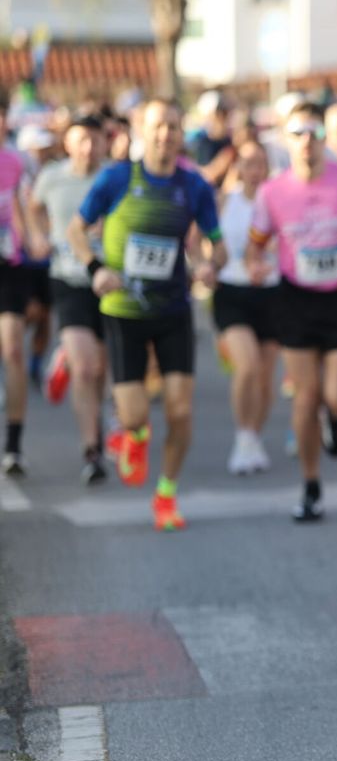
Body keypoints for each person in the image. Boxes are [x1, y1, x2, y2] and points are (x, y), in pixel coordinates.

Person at [67, 97, 225, 530]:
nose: (166, 135)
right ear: (141, 131)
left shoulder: (194, 187)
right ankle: (134, 434)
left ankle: (166, 495)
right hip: (123, 311)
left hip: (173, 308)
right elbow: (76, 229)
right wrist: (96, 268)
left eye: (174, 127)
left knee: (179, 411)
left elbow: (217, 241)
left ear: (181, 134)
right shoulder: (117, 178)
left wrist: (212, 264)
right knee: (135, 414)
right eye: (158, 126)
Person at [246, 102, 337, 521]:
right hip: (296, 298)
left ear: (324, 138)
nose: (306, 141)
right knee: (305, 397)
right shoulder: (273, 192)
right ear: (285, 141)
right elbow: (255, 246)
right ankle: (311, 485)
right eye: (297, 133)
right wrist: (256, 265)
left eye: (313, 132)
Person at [28, 115, 109, 482]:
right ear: (68, 144)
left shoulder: (114, 178)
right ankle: (91, 449)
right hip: (69, 279)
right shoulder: (52, 177)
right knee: (85, 367)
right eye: (82, 140)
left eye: (95, 139)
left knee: (102, 372)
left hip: (109, 282)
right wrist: (39, 235)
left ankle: (100, 429)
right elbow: (32, 209)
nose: (89, 147)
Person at [213, 140, 279, 475]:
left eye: (260, 163)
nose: (255, 170)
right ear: (237, 167)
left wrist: (273, 263)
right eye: (248, 163)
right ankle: (242, 436)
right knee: (248, 367)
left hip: (271, 294)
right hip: (232, 291)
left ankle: (254, 436)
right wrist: (204, 264)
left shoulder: (279, 200)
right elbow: (199, 238)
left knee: (265, 378)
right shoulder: (226, 201)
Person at [0, 97, 45, 476]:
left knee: (12, 349)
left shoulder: (17, 162)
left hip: (9, 267)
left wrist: (33, 236)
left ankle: (13, 444)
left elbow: (26, 209)